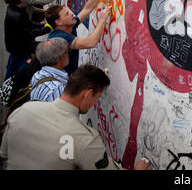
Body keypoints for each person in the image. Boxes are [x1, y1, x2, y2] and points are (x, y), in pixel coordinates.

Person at [0, 64, 149, 170]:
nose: (95, 103)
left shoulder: (22, 111)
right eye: (97, 97)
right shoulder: (85, 139)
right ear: (87, 94)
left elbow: (4, 154)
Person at [45, 0, 111, 75]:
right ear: (59, 22)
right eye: (66, 14)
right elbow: (90, 43)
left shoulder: (69, 25)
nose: (71, 14)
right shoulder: (59, 38)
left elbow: (86, 9)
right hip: (61, 82)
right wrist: (102, 20)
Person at [3, 0, 51, 81]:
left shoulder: (14, 10)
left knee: (13, 66)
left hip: (16, 46)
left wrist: (42, 26)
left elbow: (28, 24)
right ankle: (9, 90)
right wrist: (46, 29)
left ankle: (8, 87)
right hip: (20, 47)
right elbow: (29, 32)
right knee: (18, 69)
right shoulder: (18, 15)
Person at [30, 38, 69, 102]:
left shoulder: (38, 74)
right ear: (61, 57)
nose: (68, 55)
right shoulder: (57, 89)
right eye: (67, 52)